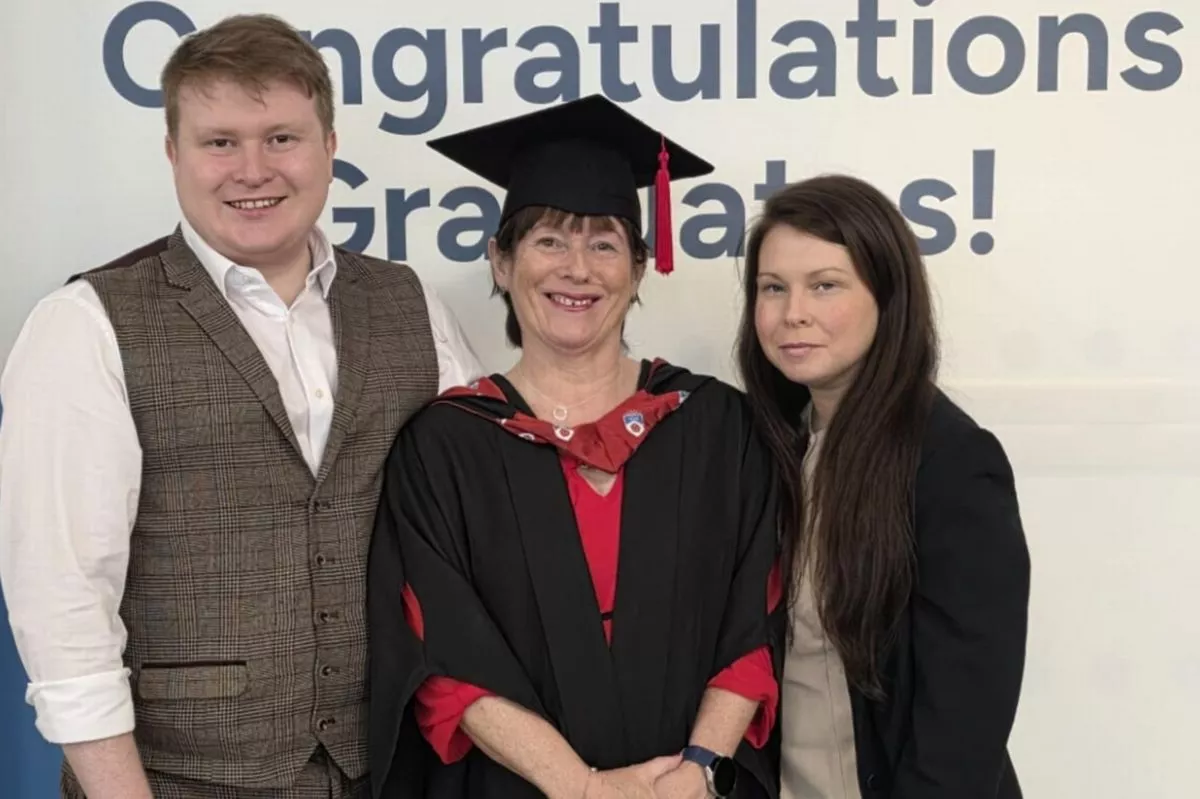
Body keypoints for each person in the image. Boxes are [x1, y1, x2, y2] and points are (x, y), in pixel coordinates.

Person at [0, 14, 483, 799]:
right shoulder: (86, 324)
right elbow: (63, 605)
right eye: (220, 141)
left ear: (329, 146)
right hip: (179, 777)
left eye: (281, 138)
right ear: (173, 153)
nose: (252, 169)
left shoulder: (409, 303)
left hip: (389, 768)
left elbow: (483, 516)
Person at [366, 94, 785, 799]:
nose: (577, 268)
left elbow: (755, 621)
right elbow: (438, 651)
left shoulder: (719, 428)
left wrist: (699, 770)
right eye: (549, 240)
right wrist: (582, 788)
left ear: (639, 269)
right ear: (501, 262)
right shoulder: (444, 447)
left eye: (603, 242)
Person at [735, 175, 1031, 798]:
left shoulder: (950, 463)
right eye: (772, 288)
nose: (794, 313)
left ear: (887, 296)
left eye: (825, 285)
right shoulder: (773, 448)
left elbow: (966, 715)